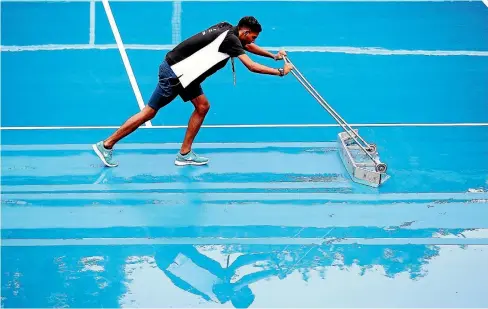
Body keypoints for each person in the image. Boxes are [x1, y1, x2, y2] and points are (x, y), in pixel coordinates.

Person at [92, 16, 293, 167]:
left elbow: (247, 46)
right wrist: (280, 72)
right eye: (253, 36)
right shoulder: (231, 40)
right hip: (175, 74)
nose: (253, 41)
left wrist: (273, 56)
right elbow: (251, 66)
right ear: (245, 31)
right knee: (149, 112)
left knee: (203, 106)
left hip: (187, 76)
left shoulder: (228, 29)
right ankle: (107, 144)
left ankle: (185, 153)